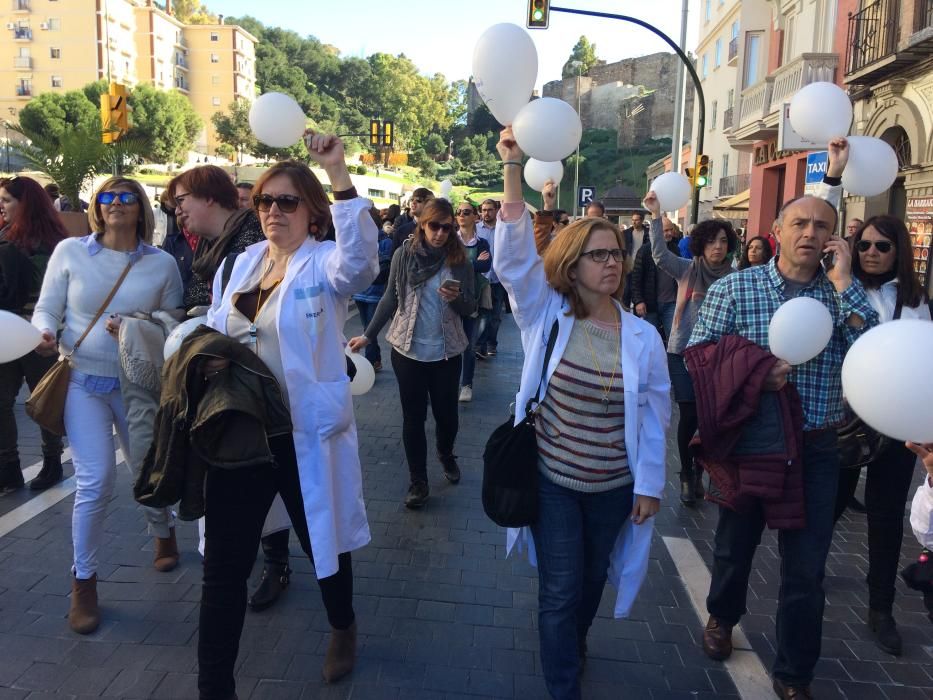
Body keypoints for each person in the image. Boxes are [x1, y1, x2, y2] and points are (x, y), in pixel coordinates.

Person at [687, 138, 879, 699]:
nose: (810, 234)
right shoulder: (738, 286)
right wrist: (753, 373)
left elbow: (873, 346)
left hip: (817, 446)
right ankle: (722, 616)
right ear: (777, 229)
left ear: (833, 239)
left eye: (823, 226)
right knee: (733, 545)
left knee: (806, 567)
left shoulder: (843, 295)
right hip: (752, 440)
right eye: (800, 223)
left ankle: (794, 672)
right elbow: (699, 354)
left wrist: (845, 284)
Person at [493, 127, 670, 700]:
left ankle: (572, 639)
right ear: (572, 265)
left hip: (614, 486)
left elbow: (652, 416)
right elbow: (516, 260)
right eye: (598, 255)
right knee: (562, 589)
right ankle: (563, 684)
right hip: (555, 482)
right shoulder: (546, 316)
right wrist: (513, 171)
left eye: (616, 254)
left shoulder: (643, 336)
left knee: (593, 582)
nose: (612, 264)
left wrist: (649, 486)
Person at [198, 134, 378, 698]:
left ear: (312, 213)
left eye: (288, 202)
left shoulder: (325, 265)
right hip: (239, 433)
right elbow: (214, 326)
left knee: (322, 542)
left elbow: (362, 263)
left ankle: (342, 626)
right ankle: (214, 688)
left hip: (302, 434)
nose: (274, 211)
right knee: (224, 569)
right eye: (265, 202)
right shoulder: (242, 264)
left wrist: (337, 171)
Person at [32, 177, 183, 635]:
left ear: (141, 208)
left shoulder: (162, 264)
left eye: (126, 198)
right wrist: (43, 331)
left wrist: (137, 325)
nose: (116, 204)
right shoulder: (70, 252)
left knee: (146, 468)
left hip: (136, 383)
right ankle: (84, 583)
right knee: (94, 482)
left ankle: (163, 531)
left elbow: (173, 324)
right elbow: (47, 308)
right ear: (97, 207)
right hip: (81, 380)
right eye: (107, 198)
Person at [832, 214, 931, 656]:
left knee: (886, 516)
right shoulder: (836, 284)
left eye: (882, 246)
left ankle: (881, 608)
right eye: (864, 244)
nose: (871, 252)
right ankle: (805, 573)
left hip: (897, 420)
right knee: (831, 501)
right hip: (844, 415)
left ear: (899, 252)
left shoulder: (915, 298)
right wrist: (832, 173)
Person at [349, 198, 476, 509]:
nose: (440, 233)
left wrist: (456, 299)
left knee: (447, 417)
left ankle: (445, 453)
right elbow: (390, 299)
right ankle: (418, 481)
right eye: (435, 226)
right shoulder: (404, 255)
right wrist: (368, 336)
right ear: (423, 224)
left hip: (446, 353)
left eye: (447, 228)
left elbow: (471, 308)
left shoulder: (460, 262)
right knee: (413, 418)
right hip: (407, 352)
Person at [648, 207, 738, 506]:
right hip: (683, 352)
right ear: (701, 244)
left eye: (723, 241)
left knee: (709, 418)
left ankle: (700, 470)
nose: (717, 247)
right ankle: (687, 473)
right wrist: (656, 217)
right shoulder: (687, 269)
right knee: (690, 413)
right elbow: (660, 256)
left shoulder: (736, 278)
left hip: (719, 357)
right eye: (712, 241)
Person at [0, 176, 67, 492]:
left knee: (44, 402)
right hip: (6, 334)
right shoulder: (5, 238)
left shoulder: (55, 246)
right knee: (1, 401)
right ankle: (9, 467)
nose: (2, 206)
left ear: (25, 204)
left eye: (7, 200)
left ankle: (52, 462)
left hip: (40, 335)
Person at [170, 165, 265, 310]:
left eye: (180, 201)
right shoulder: (206, 247)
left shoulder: (256, 232)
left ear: (208, 197)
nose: (177, 211)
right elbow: (194, 302)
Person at [455, 201, 491, 402]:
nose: (461, 215)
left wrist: (464, 264)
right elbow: (449, 265)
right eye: (458, 211)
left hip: (473, 299)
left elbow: (486, 265)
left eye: (466, 212)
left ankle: (466, 384)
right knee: (449, 343)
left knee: (469, 344)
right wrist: (472, 263)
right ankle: (451, 381)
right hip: (451, 298)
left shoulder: (482, 243)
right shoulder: (451, 240)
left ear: (475, 216)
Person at [351, 207, 394, 372]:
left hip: (375, 292)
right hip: (360, 291)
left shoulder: (385, 241)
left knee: (370, 328)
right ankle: (375, 360)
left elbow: (384, 269)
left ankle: (370, 362)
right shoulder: (358, 240)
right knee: (366, 328)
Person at [630, 216, 680, 340]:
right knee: (650, 339)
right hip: (650, 304)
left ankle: (671, 360)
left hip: (671, 303)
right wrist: (638, 301)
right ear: (657, 231)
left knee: (674, 340)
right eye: (666, 230)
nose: (669, 233)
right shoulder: (645, 251)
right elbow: (636, 278)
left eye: (671, 230)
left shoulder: (675, 249)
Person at [476, 198, 507, 358]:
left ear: (496, 210)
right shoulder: (476, 229)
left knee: (495, 316)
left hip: (498, 279)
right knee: (483, 315)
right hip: (481, 279)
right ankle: (479, 345)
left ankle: (491, 344)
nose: (486, 213)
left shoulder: (503, 229)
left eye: (490, 210)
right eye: (484, 210)